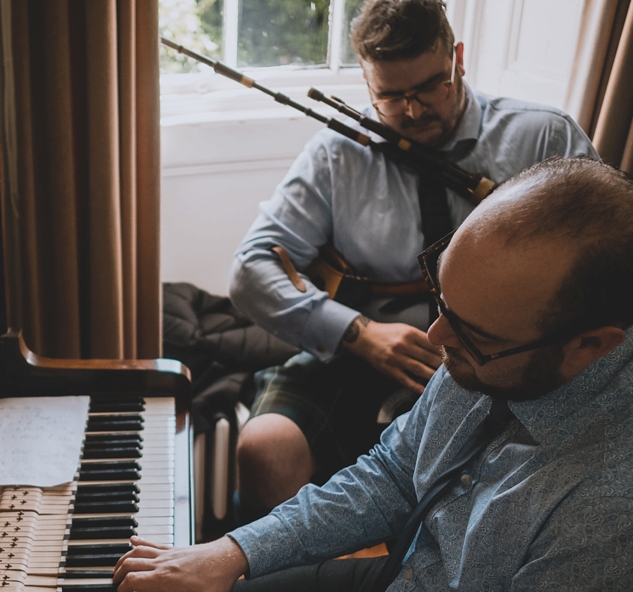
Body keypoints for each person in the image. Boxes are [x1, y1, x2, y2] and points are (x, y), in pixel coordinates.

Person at [109, 157, 633, 592]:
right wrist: (235, 550)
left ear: (591, 346)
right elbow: (395, 470)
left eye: (469, 334)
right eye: (442, 298)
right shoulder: (504, 333)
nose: (436, 336)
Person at [231, 0, 598, 519]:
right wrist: (357, 333)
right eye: (390, 96)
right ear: (366, 82)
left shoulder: (544, 137)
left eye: (431, 86)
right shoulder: (336, 152)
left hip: (498, 366)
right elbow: (251, 270)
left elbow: (600, 260)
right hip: (366, 355)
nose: (412, 111)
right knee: (264, 448)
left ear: (458, 58)